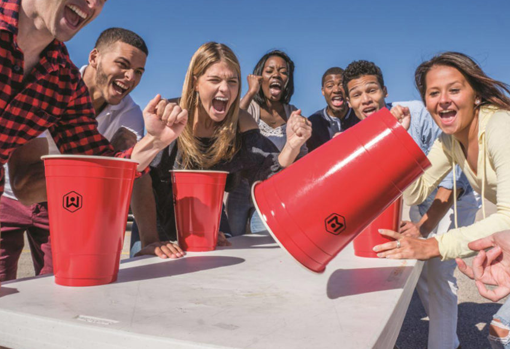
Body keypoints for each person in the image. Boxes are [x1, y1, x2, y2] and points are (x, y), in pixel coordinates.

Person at [0, 27, 185, 281]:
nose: (130, 77)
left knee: (64, 283)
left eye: (139, 72)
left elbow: (135, 174)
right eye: (122, 64)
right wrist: (110, 165)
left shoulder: (130, 112)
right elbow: (27, 187)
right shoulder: (51, 86)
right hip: (9, 197)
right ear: (94, 57)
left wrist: (150, 240)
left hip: (66, 202)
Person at [372, 52, 510, 349]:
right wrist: (400, 140)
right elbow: (416, 191)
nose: (443, 99)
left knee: (503, 332)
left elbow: (507, 217)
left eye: (454, 90)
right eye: (434, 93)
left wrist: (433, 245)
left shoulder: (501, 126)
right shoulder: (449, 141)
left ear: (476, 95)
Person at [343, 59, 479, 349]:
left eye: (372, 90)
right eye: (357, 94)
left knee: (440, 272)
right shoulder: (362, 133)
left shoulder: (416, 115)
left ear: (385, 90)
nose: (366, 99)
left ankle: (443, 346)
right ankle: (449, 338)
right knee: (421, 274)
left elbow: (453, 181)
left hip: (456, 196)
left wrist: (422, 226)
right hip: (423, 198)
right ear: (349, 101)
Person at [0, 0, 187, 208]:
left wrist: (155, 141)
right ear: (94, 58)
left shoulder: (64, 82)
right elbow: (23, 183)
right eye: (122, 64)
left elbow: (100, 165)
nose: (93, 4)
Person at [146, 42, 311, 249]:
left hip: (209, 216)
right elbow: (142, 177)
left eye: (232, 81)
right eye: (214, 79)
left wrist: (292, 146)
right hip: (155, 220)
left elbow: (266, 172)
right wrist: (150, 240)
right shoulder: (171, 115)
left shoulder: (242, 123)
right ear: (196, 82)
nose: (224, 88)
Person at [226, 50, 308, 235]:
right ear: (259, 76)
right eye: (269, 70)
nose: (276, 74)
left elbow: (302, 155)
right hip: (241, 187)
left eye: (283, 71)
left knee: (266, 240)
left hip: (272, 191)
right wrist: (251, 92)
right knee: (236, 241)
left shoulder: (292, 112)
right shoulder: (249, 106)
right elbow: (231, 123)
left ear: (288, 80)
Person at [306, 67, 358, 152]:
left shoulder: (360, 116)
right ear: (323, 91)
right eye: (330, 86)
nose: (336, 90)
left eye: (341, 84)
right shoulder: (312, 124)